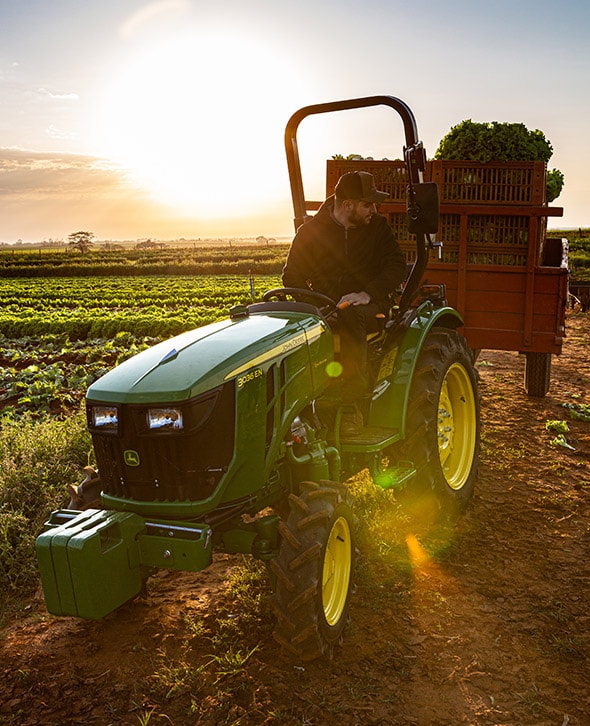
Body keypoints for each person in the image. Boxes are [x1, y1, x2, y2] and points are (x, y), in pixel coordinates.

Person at [282, 170, 407, 433]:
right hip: (324, 306)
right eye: (367, 204)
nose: (374, 208)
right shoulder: (310, 232)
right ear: (347, 205)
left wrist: (368, 293)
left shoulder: (378, 228)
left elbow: (397, 266)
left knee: (350, 313)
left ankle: (352, 405)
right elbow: (291, 276)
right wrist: (317, 307)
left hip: (370, 304)